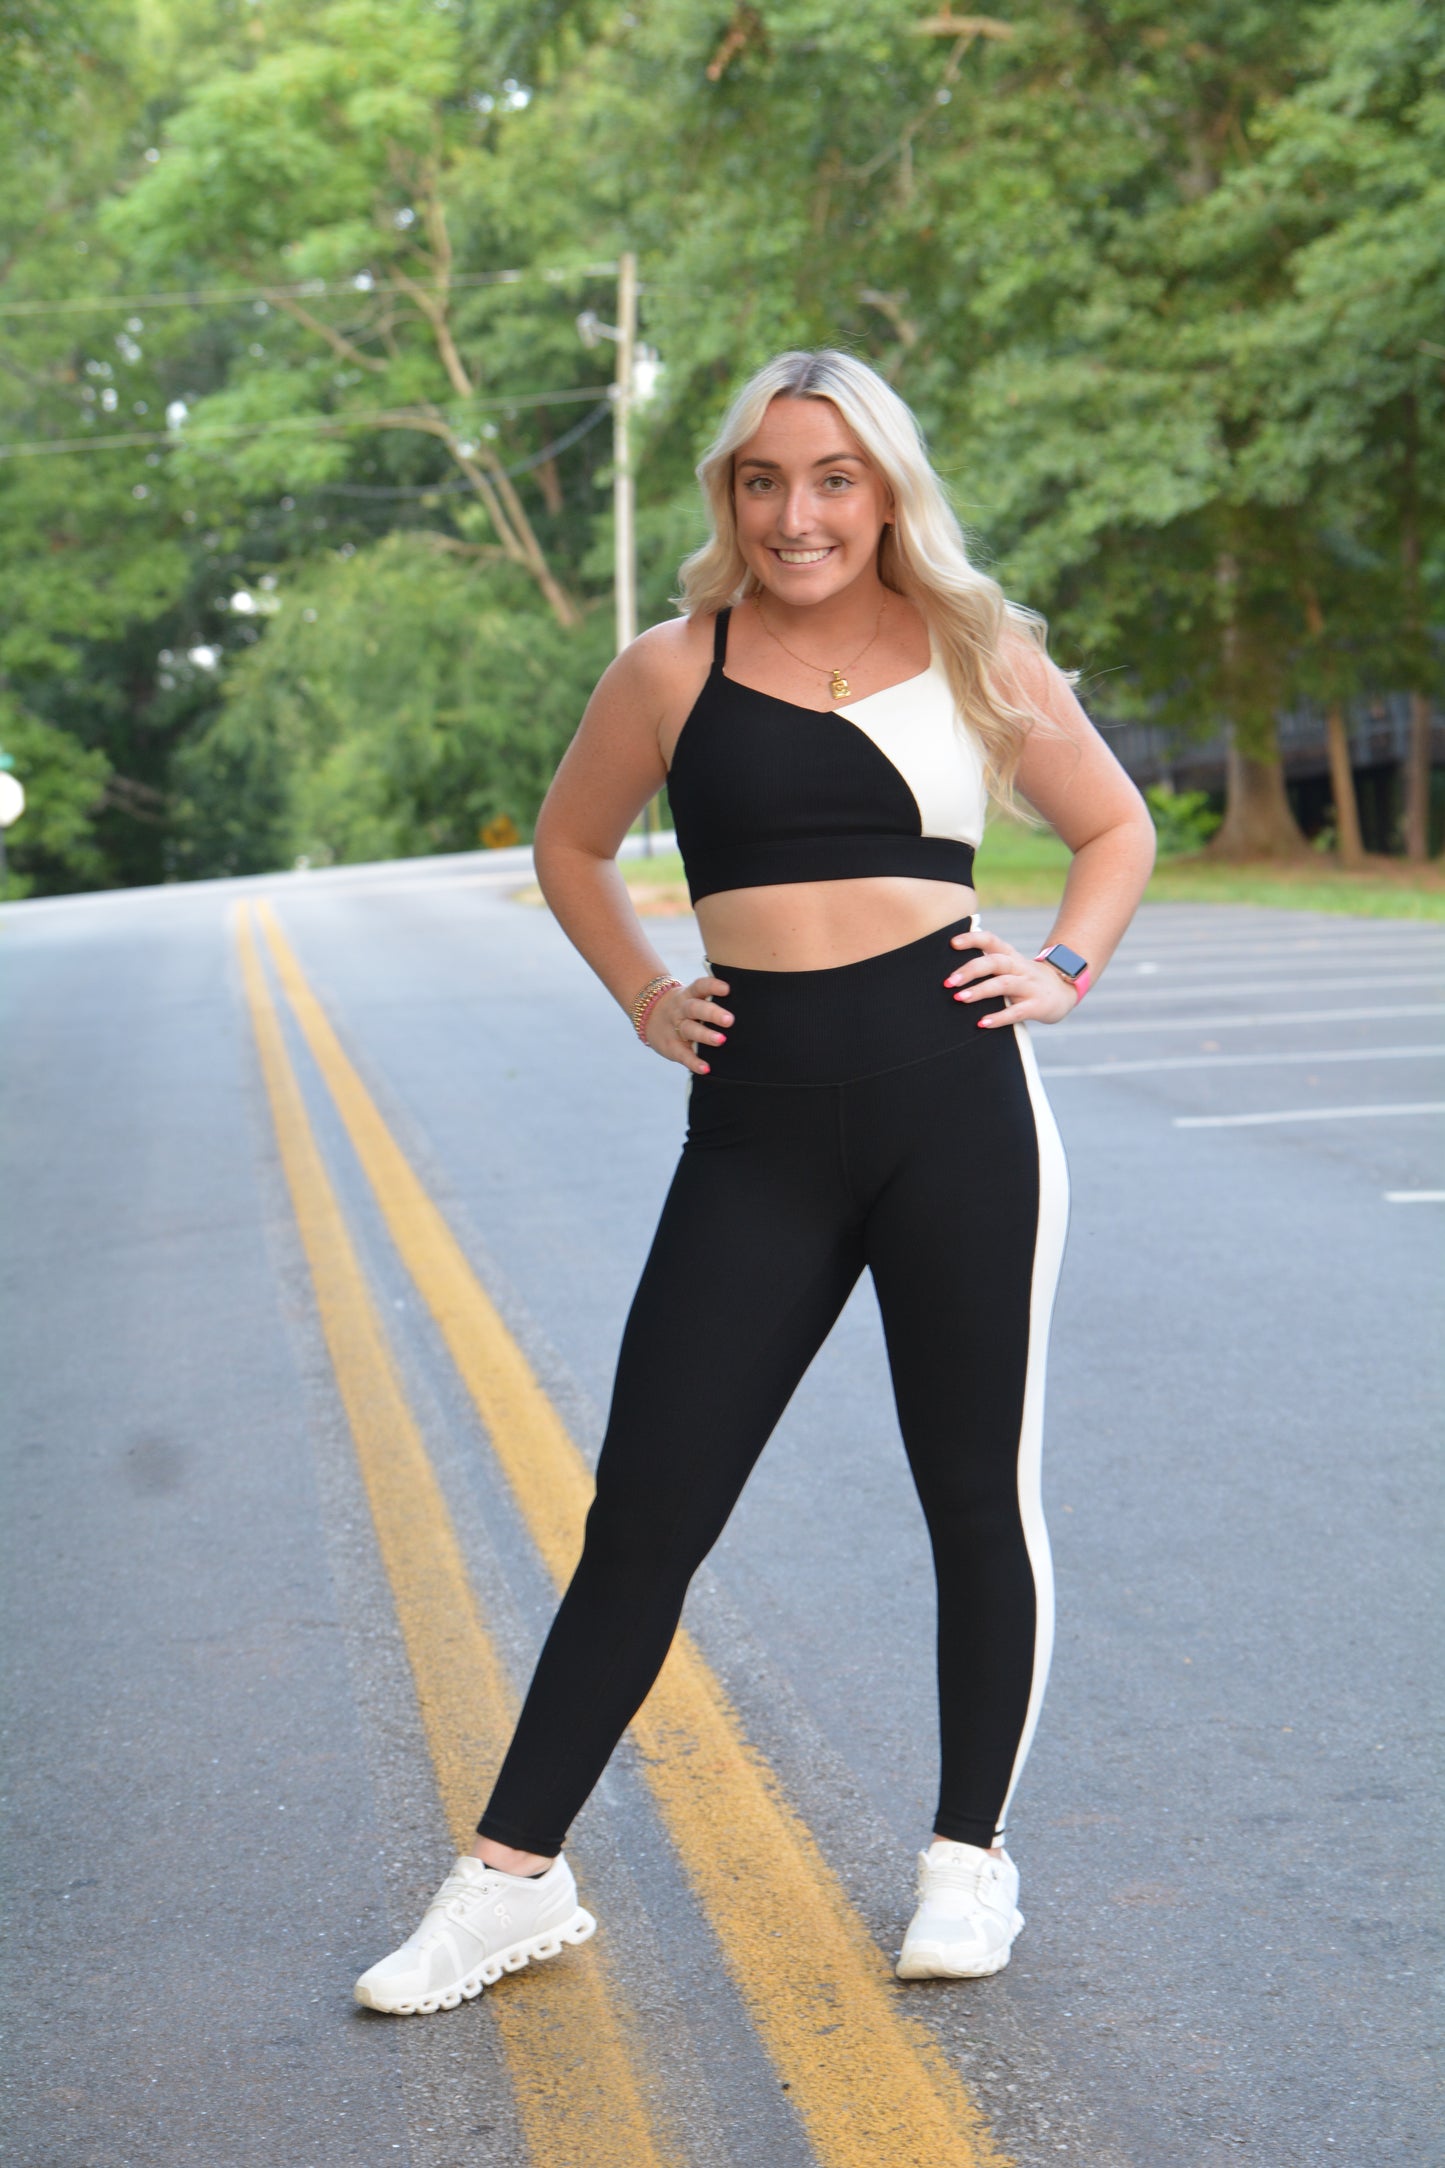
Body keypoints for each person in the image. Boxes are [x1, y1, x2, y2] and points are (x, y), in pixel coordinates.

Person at [355, 349, 1156, 2017]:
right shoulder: (668, 667)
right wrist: (648, 991)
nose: (798, 514)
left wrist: (1066, 971)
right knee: (647, 1506)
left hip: (957, 1108)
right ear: (729, 495)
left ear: (886, 492)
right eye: (764, 481)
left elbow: (1115, 826)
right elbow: (569, 847)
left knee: (971, 1494)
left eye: (835, 479)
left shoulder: (971, 649)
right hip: (757, 1128)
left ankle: (966, 1860)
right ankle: (508, 1881)